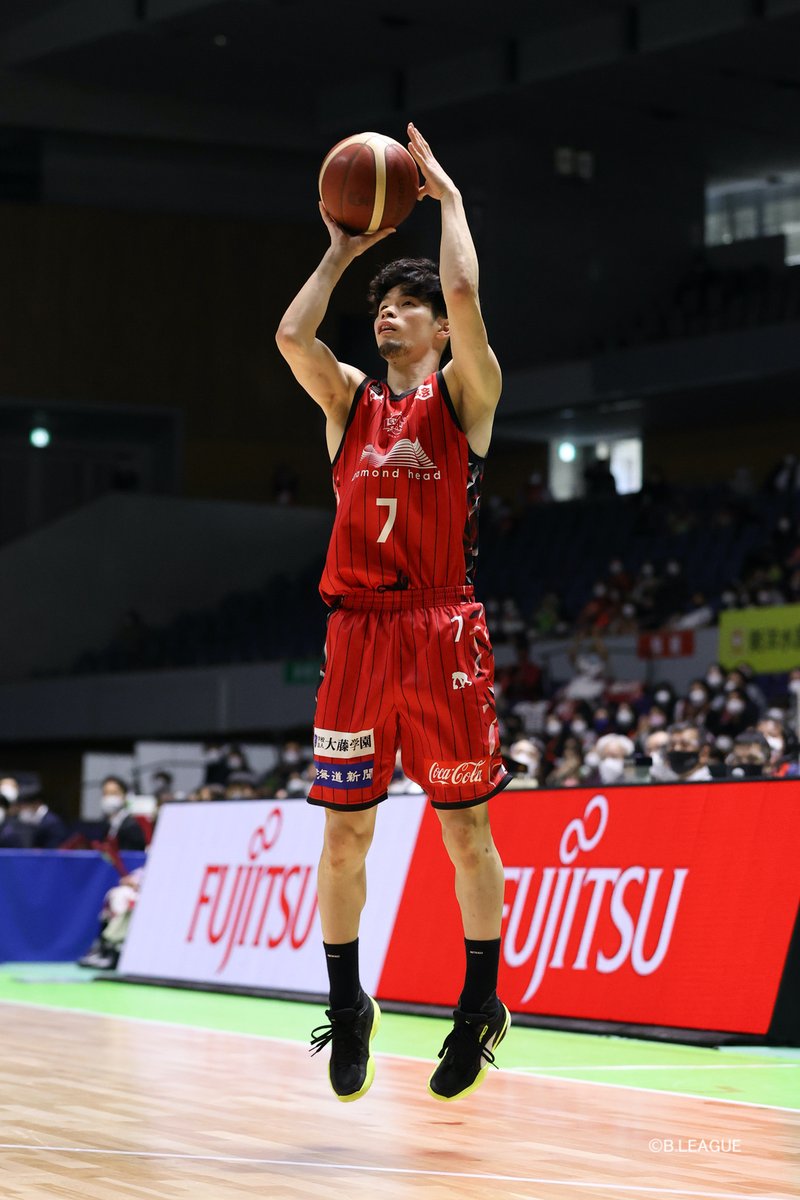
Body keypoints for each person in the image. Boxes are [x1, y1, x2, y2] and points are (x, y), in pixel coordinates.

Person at [276, 123, 509, 1104]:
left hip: (441, 626)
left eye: (409, 305)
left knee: (465, 832)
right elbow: (292, 338)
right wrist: (340, 252)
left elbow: (466, 292)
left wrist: (448, 203)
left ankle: (478, 1005)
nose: (391, 313)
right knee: (343, 839)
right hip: (358, 635)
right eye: (384, 304)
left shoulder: (466, 395)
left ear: (439, 330)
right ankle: (349, 1004)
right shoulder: (349, 405)